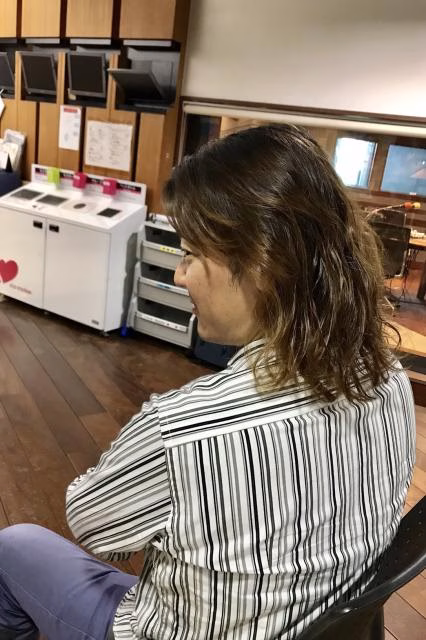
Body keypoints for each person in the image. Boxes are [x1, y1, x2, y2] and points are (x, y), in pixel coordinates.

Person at [0, 124, 416, 640]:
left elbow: (91, 522)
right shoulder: (389, 380)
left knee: (13, 547)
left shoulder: (182, 428)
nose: (180, 275)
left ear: (263, 262)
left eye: (192, 254)